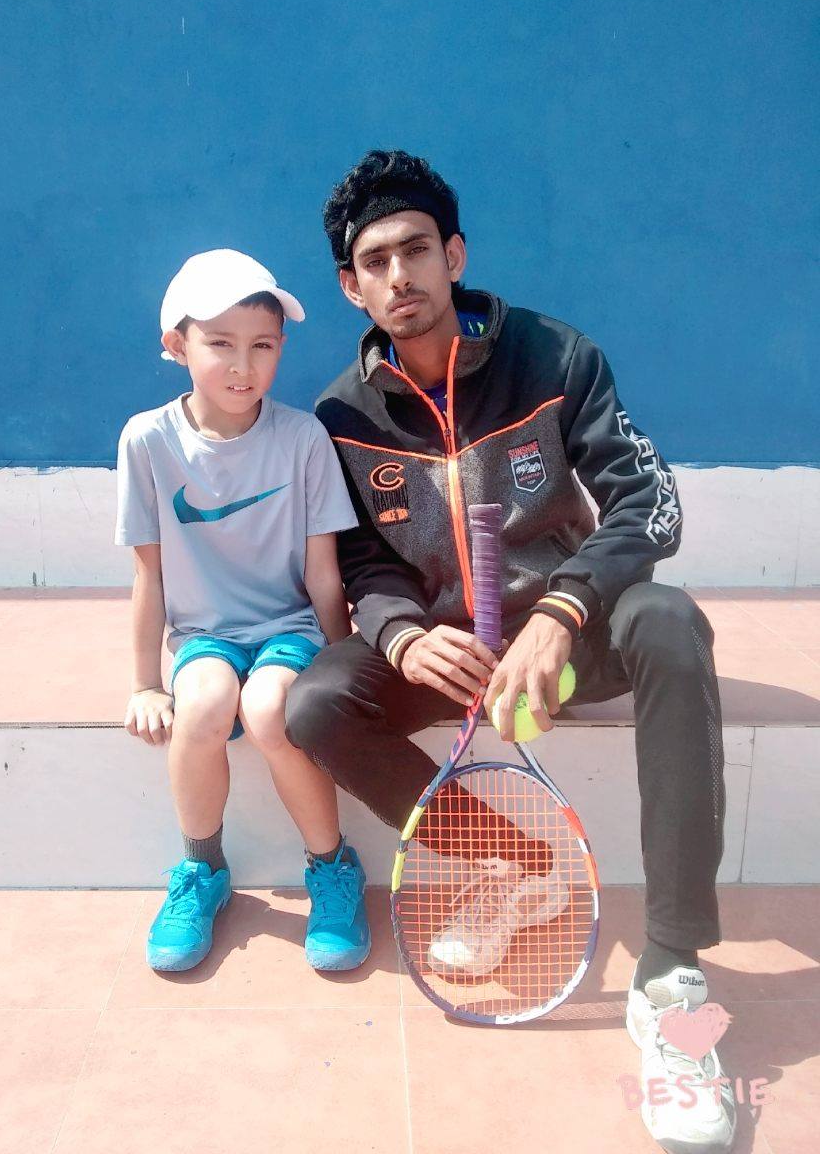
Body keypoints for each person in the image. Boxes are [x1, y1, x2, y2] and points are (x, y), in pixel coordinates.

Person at [284, 151, 735, 1153]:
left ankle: (671, 971)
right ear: (351, 287)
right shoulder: (340, 416)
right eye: (374, 262)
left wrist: (565, 609)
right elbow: (363, 559)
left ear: (453, 255)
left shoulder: (556, 357)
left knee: (670, 622)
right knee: (314, 703)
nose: (398, 275)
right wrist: (403, 635)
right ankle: (514, 866)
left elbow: (649, 505)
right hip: (451, 648)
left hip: (566, 640)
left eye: (415, 250)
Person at [115, 248, 371, 975]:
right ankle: (202, 870)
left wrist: (340, 660)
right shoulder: (148, 440)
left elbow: (323, 572)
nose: (242, 365)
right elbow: (149, 574)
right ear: (177, 346)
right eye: (220, 343)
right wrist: (145, 683)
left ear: (280, 347)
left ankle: (332, 867)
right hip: (205, 636)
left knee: (268, 712)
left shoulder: (303, 438)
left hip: (289, 630)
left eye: (262, 346)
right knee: (201, 707)